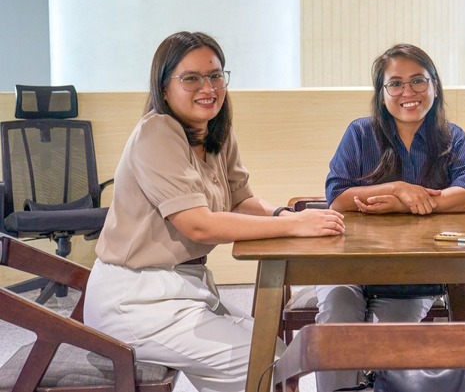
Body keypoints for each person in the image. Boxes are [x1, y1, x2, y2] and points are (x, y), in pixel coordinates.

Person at [83, 31, 345, 392]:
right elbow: (199, 225)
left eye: (215, 75)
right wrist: (296, 226)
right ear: (163, 88)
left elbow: (240, 201)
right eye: (191, 78)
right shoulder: (157, 132)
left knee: (274, 350)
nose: (207, 88)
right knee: (260, 362)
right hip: (137, 299)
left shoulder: (215, 132)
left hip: (183, 287)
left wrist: (284, 216)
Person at [316, 43, 465, 392]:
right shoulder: (359, 133)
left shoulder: (452, 137)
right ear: (382, 93)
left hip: (414, 273)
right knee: (336, 319)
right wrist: (397, 188)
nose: (408, 92)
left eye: (418, 81)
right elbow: (338, 199)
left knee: (389, 342)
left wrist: (406, 203)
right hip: (347, 267)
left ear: (434, 85)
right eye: (395, 84)